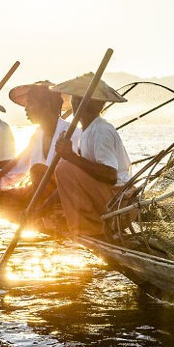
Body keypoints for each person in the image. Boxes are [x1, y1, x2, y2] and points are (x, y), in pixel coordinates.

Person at [51, 73, 131, 237]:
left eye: (84, 100)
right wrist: (41, 206)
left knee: (64, 168)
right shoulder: (86, 131)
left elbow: (110, 175)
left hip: (120, 205)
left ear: (98, 105)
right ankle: (87, 223)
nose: (78, 103)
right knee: (62, 169)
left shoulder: (101, 130)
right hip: (107, 200)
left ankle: (91, 229)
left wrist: (71, 156)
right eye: (76, 98)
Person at [0, 81, 80, 215]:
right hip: (40, 193)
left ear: (46, 106)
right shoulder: (36, 136)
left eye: (30, 103)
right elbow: (15, 170)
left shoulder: (71, 134)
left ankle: (39, 214)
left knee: (38, 172)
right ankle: (32, 218)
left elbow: (74, 179)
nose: (26, 108)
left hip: (63, 196)